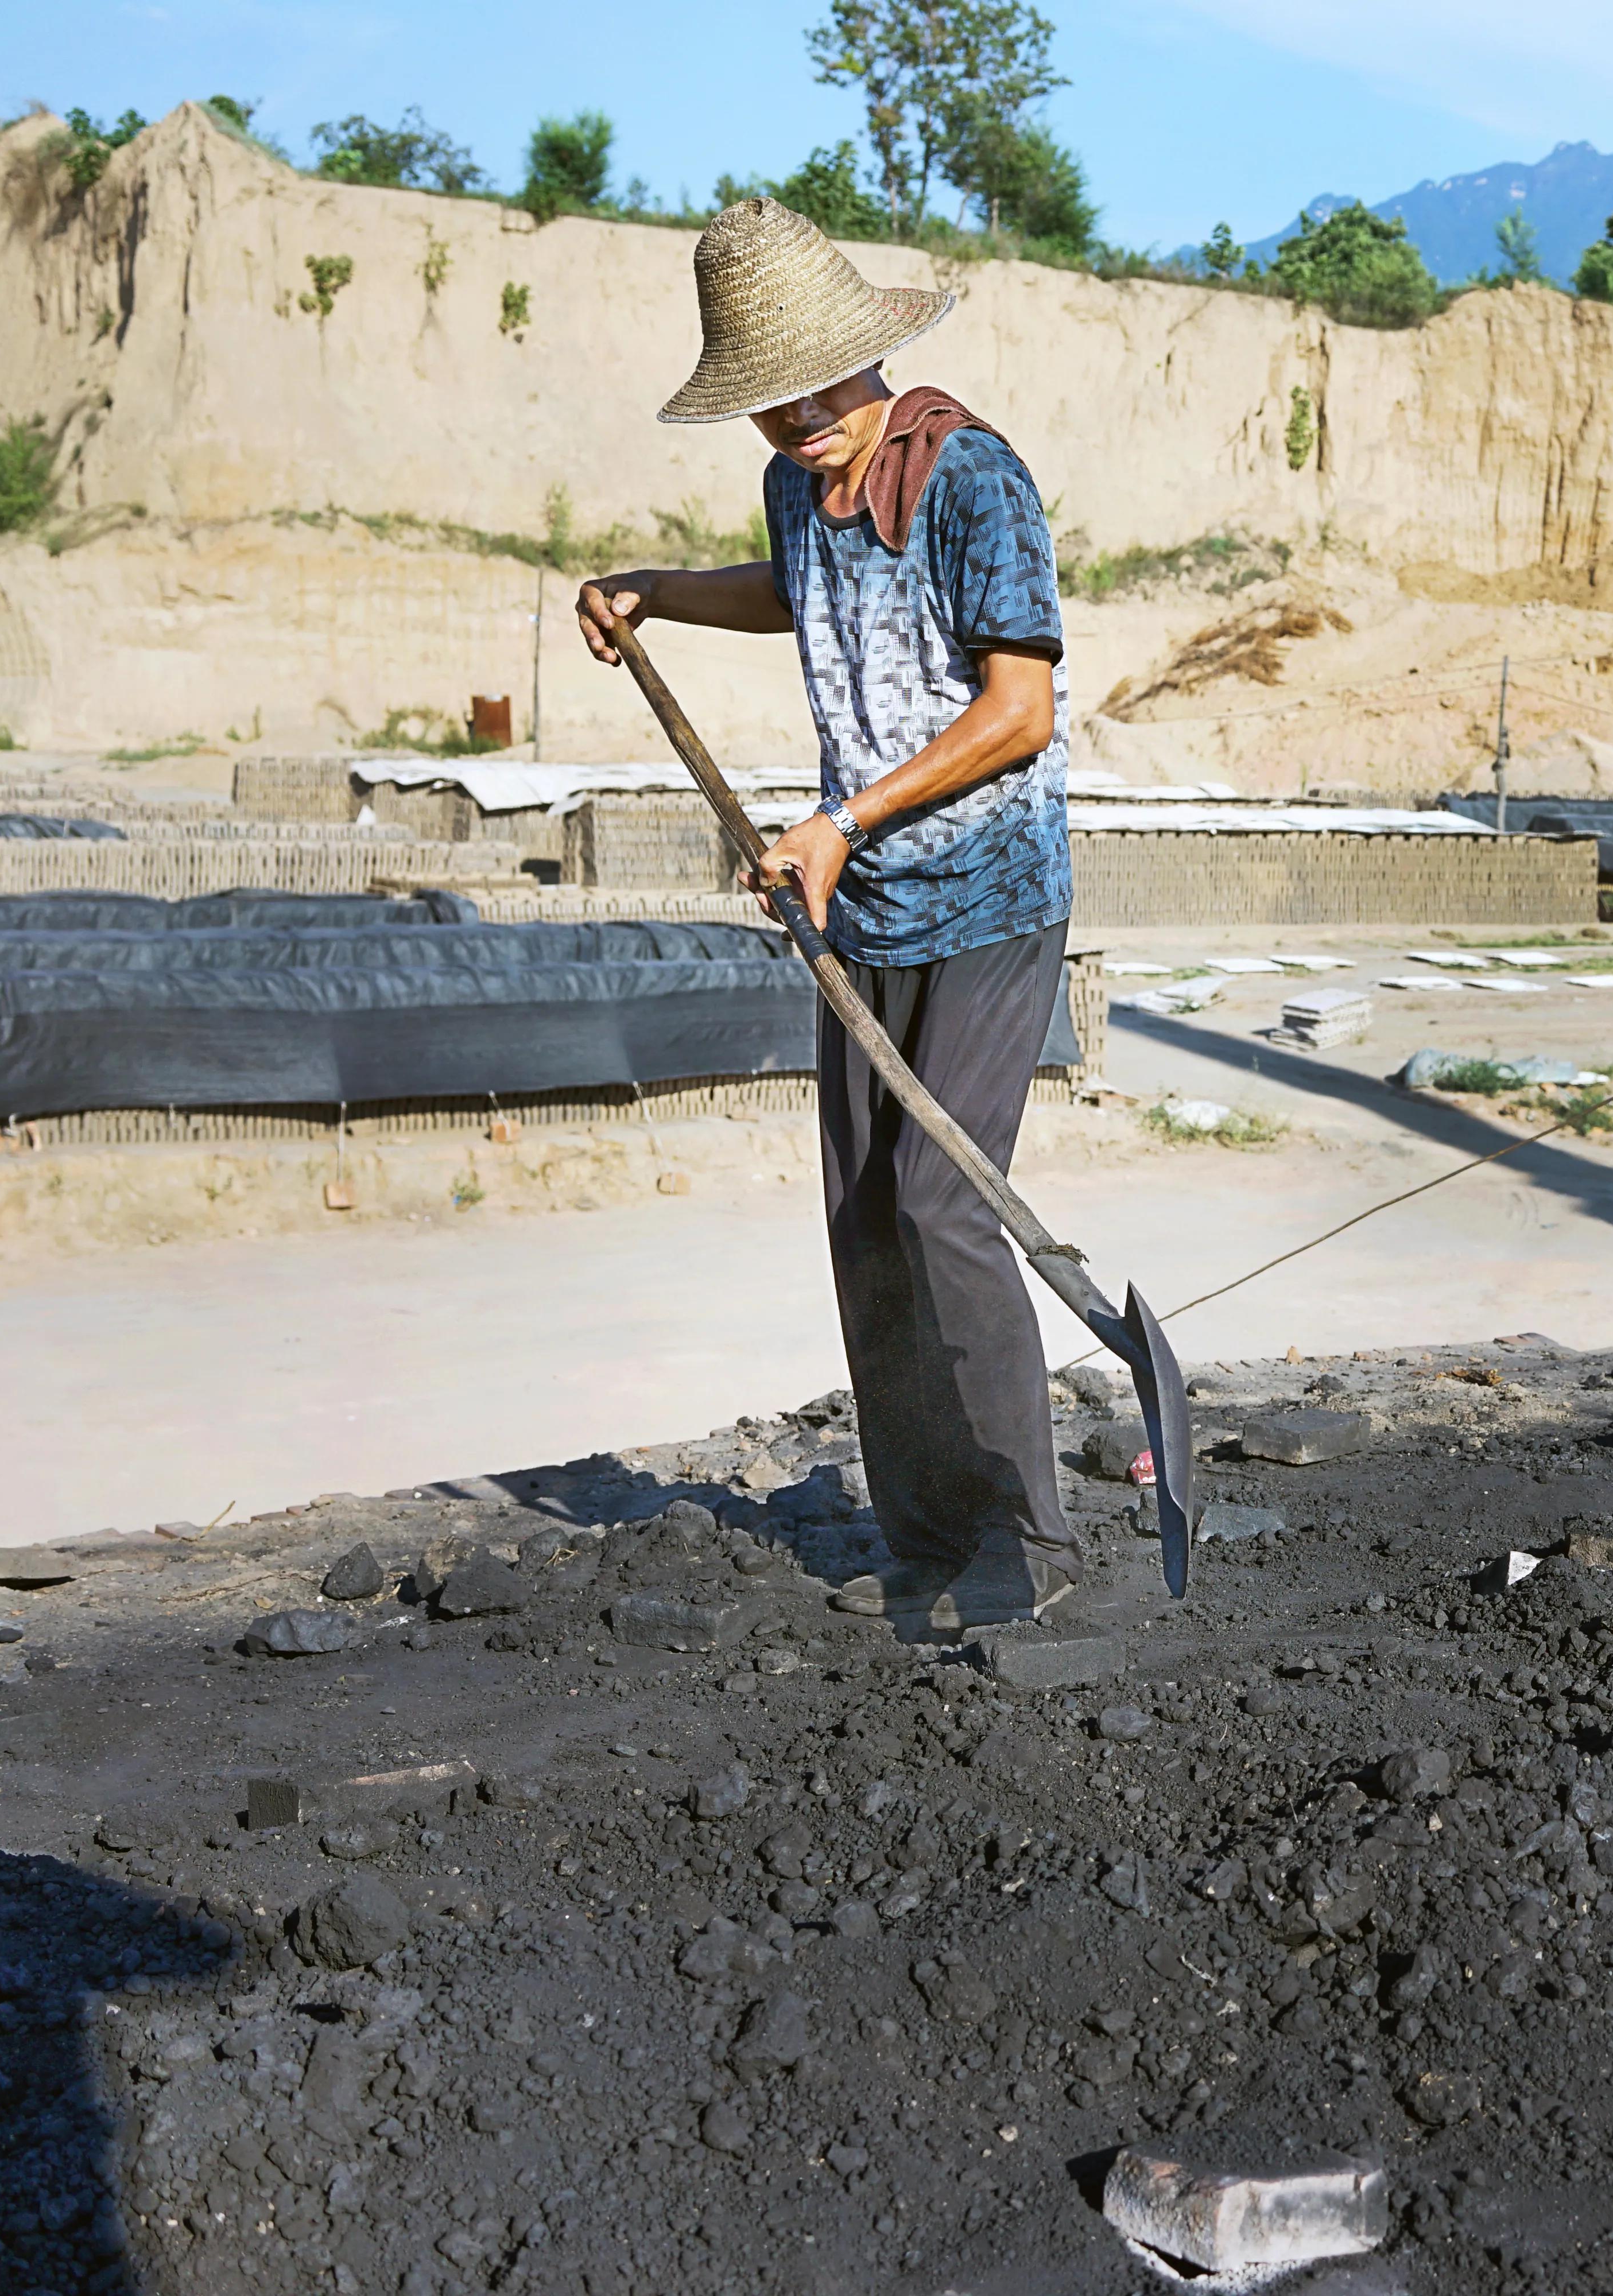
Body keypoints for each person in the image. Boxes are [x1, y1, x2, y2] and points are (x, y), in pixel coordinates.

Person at [576, 196, 1076, 1631]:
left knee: (945, 1200)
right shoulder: (803, 484)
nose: (792, 418)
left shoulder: (972, 479)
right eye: (765, 400)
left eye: (811, 387)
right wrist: (661, 592)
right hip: (862, 907)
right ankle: (924, 1542)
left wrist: (839, 820)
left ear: (864, 357)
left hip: (987, 897)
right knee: (867, 1219)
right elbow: (804, 597)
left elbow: (1021, 708)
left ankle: (1029, 1547)